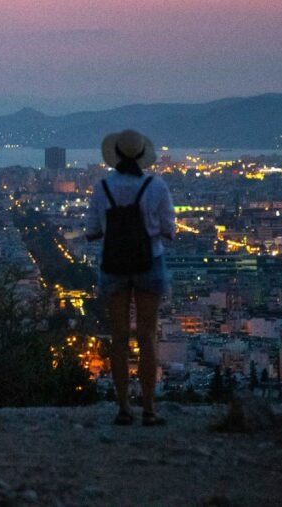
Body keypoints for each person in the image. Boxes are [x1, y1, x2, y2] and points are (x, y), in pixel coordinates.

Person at [85, 129, 174, 426]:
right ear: (141, 155)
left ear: (116, 155)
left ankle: (123, 408)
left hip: (114, 263)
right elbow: (168, 228)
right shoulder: (156, 186)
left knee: (119, 337)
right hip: (150, 261)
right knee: (148, 336)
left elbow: (92, 229)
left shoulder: (103, 187)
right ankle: (149, 409)